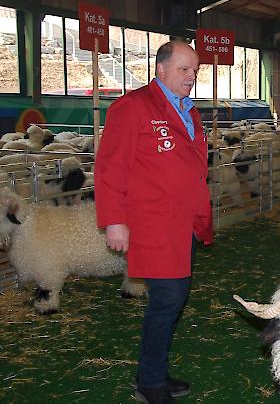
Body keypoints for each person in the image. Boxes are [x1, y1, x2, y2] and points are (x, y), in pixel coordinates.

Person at [95, 40, 213, 403]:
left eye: (195, 70)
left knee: (173, 298)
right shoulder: (132, 107)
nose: (191, 76)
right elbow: (110, 166)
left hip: (183, 222)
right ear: (161, 69)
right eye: (184, 69)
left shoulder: (188, 110)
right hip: (154, 222)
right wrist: (114, 220)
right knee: (169, 297)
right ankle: (149, 382)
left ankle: (155, 372)